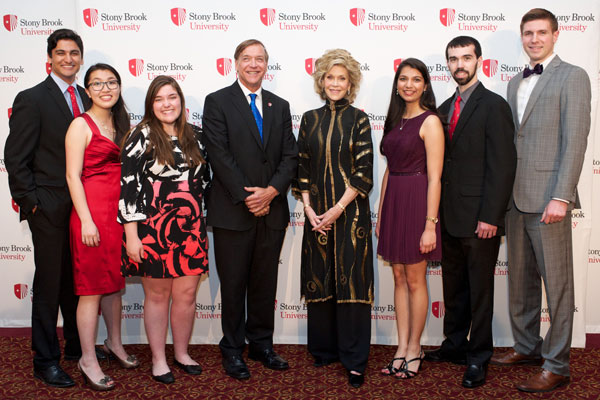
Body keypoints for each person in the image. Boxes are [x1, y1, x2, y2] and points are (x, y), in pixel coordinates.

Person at [490, 9, 591, 393]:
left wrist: (561, 196)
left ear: (555, 35)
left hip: (550, 198)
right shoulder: (514, 81)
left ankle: (557, 365)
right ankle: (527, 346)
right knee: (521, 282)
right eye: (528, 33)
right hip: (515, 199)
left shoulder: (573, 76)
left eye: (541, 32)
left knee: (558, 286)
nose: (534, 39)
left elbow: (575, 140)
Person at [423, 36, 516, 388]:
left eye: (466, 57)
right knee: (454, 288)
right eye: (453, 59)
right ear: (447, 64)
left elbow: (502, 166)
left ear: (479, 61)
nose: (459, 64)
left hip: (480, 219)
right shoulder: (444, 107)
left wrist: (491, 216)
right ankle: (454, 345)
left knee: (480, 293)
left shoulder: (494, 105)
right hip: (448, 216)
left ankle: (478, 356)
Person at [202, 39, 297, 380]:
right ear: (236, 63)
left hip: (272, 211)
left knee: (264, 284)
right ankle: (232, 348)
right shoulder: (217, 102)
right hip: (233, 211)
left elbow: (290, 156)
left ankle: (261, 345)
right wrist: (250, 198)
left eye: (259, 59)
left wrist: (270, 192)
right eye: (247, 58)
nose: (253, 64)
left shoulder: (279, 105)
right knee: (233, 285)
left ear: (266, 65)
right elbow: (219, 155)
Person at [4, 29, 93, 388]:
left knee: (76, 280)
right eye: (61, 53)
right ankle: (45, 360)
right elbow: (15, 158)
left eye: (74, 53)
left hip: (84, 207)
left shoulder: (88, 97)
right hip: (48, 207)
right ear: (50, 58)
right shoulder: (32, 98)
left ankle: (75, 345)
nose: (68, 59)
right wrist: (32, 204)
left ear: (81, 58)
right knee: (49, 285)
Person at [119, 75, 210, 384]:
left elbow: (206, 182)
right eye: (159, 99)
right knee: (157, 296)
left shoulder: (197, 135)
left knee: (186, 294)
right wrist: (132, 236)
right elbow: (128, 189)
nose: (166, 104)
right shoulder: (140, 135)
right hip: (152, 230)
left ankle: (181, 353)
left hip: (191, 229)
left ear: (181, 101)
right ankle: (158, 358)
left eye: (172, 97)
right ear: (151, 105)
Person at [293, 49, 374, 388]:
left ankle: (354, 359)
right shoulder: (309, 119)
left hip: (350, 215)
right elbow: (302, 167)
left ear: (351, 83)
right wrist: (309, 209)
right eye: (330, 77)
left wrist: (338, 209)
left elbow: (364, 171)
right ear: (321, 81)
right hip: (316, 216)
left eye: (342, 78)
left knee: (352, 281)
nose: (336, 83)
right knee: (320, 277)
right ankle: (324, 349)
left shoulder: (359, 119)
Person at [65, 63, 139, 391]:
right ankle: (87, 359)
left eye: (111, 82)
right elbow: (72, 176)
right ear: (87, 90)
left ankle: (114, 343)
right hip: (91, 216)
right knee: (91, 289)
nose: (105, 88)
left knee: (113, 285)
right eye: (97, 83)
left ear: (119, 87)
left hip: (117, 216)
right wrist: (86, 220)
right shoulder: (80, 125)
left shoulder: (122, 124)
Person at [376, 58, 444, 380]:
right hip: (394, 200)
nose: (409, 85)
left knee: (416, 279)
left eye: (416, 79)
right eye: (403, 79)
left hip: (418, 201)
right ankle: (401, 346)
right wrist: (381, 213)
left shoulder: (430, 122)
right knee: (399, 277)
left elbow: (435, 178)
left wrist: (430, 224)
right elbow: (389, 169)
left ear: (425, 85)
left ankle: (416, 347)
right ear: (397, 84)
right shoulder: (395, 119)